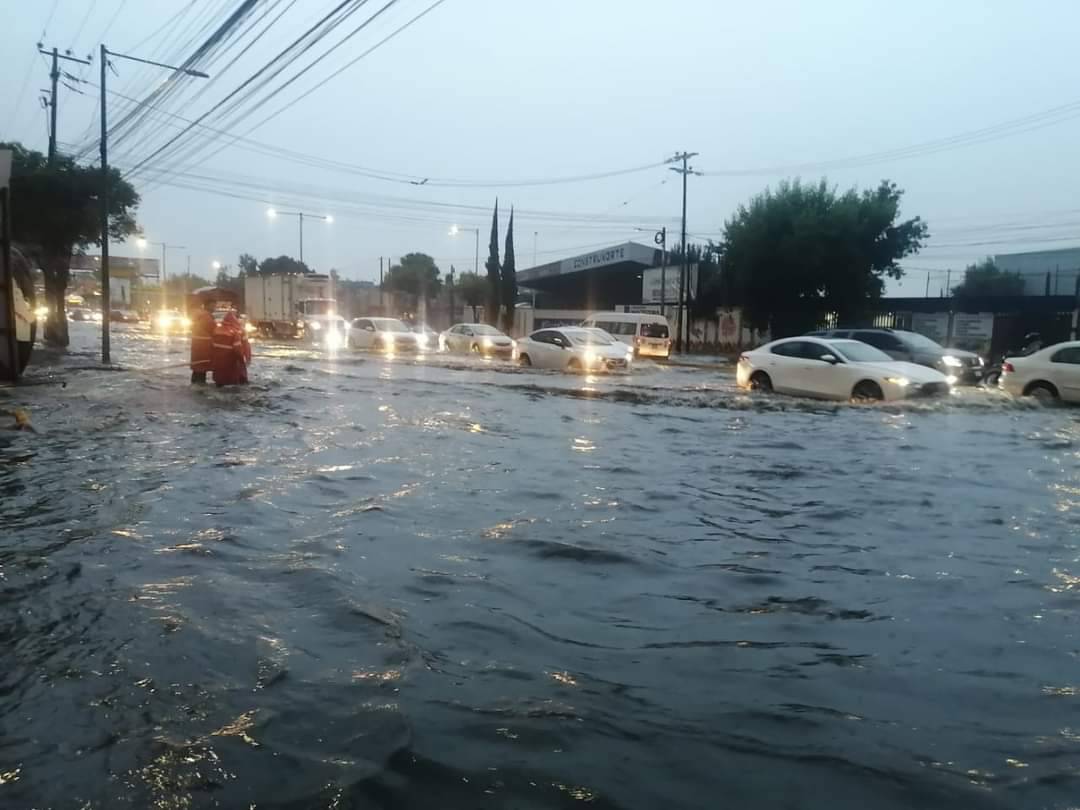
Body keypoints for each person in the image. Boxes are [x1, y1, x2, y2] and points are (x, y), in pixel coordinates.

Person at [210, 310, 251, 386]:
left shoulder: (216, 330)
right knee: (236, 385)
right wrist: (244, 359)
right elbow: (239, 349)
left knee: (220, 383)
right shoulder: (237, 332)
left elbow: (211, 346)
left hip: (218, 363)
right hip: (231, 363)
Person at [190, 300, 216, 384]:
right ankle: (199, 385)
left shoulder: (199, 316)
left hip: (196, 347)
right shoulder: (207, 317)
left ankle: (195, 384)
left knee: (197, 368)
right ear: (206, 306)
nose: (214, 308)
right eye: (213, 306)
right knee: (201, 369)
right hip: (204, 348)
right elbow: (213, 330)